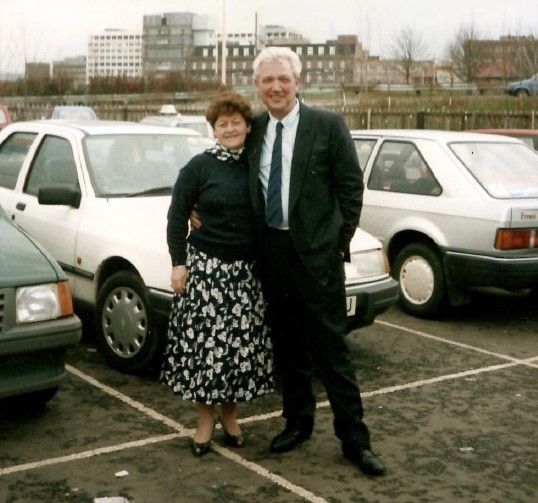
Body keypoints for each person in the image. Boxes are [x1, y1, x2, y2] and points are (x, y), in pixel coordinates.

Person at [246, 47, 386, 476]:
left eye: (283, 79)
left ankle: (355, 441)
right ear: (257, 85)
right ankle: (297, 422)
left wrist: (336, 244)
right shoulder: (252, 129)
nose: (275, 87)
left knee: (332, 353)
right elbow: (230, 175)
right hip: (272, 255)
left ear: (297, 81)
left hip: (316, 259)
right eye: (267, 80)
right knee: (287, 349)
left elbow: (350, 188)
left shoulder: (327, 125)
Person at [160, 91, 274, 457]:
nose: (230, 129)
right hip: (207, 273)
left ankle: (231, 416)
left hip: (245, 275)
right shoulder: (199, 166)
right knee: (205, 351)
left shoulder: (257, 164)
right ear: (213, 129)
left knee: (238, 350)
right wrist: (179, 262)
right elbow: (177, 215)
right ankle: (204, 421)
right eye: (222, 124)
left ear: (247, 126)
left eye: (236, 123)